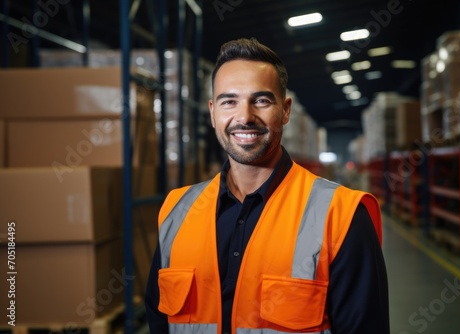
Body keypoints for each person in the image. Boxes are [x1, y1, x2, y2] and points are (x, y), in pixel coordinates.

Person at [145, 37, 390, 334]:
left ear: (285, 111)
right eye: (229, 101)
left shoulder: (341, 216)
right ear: (212, 113)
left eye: (261, 100)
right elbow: (159, 321)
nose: (245, 117)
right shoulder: (176, 211)